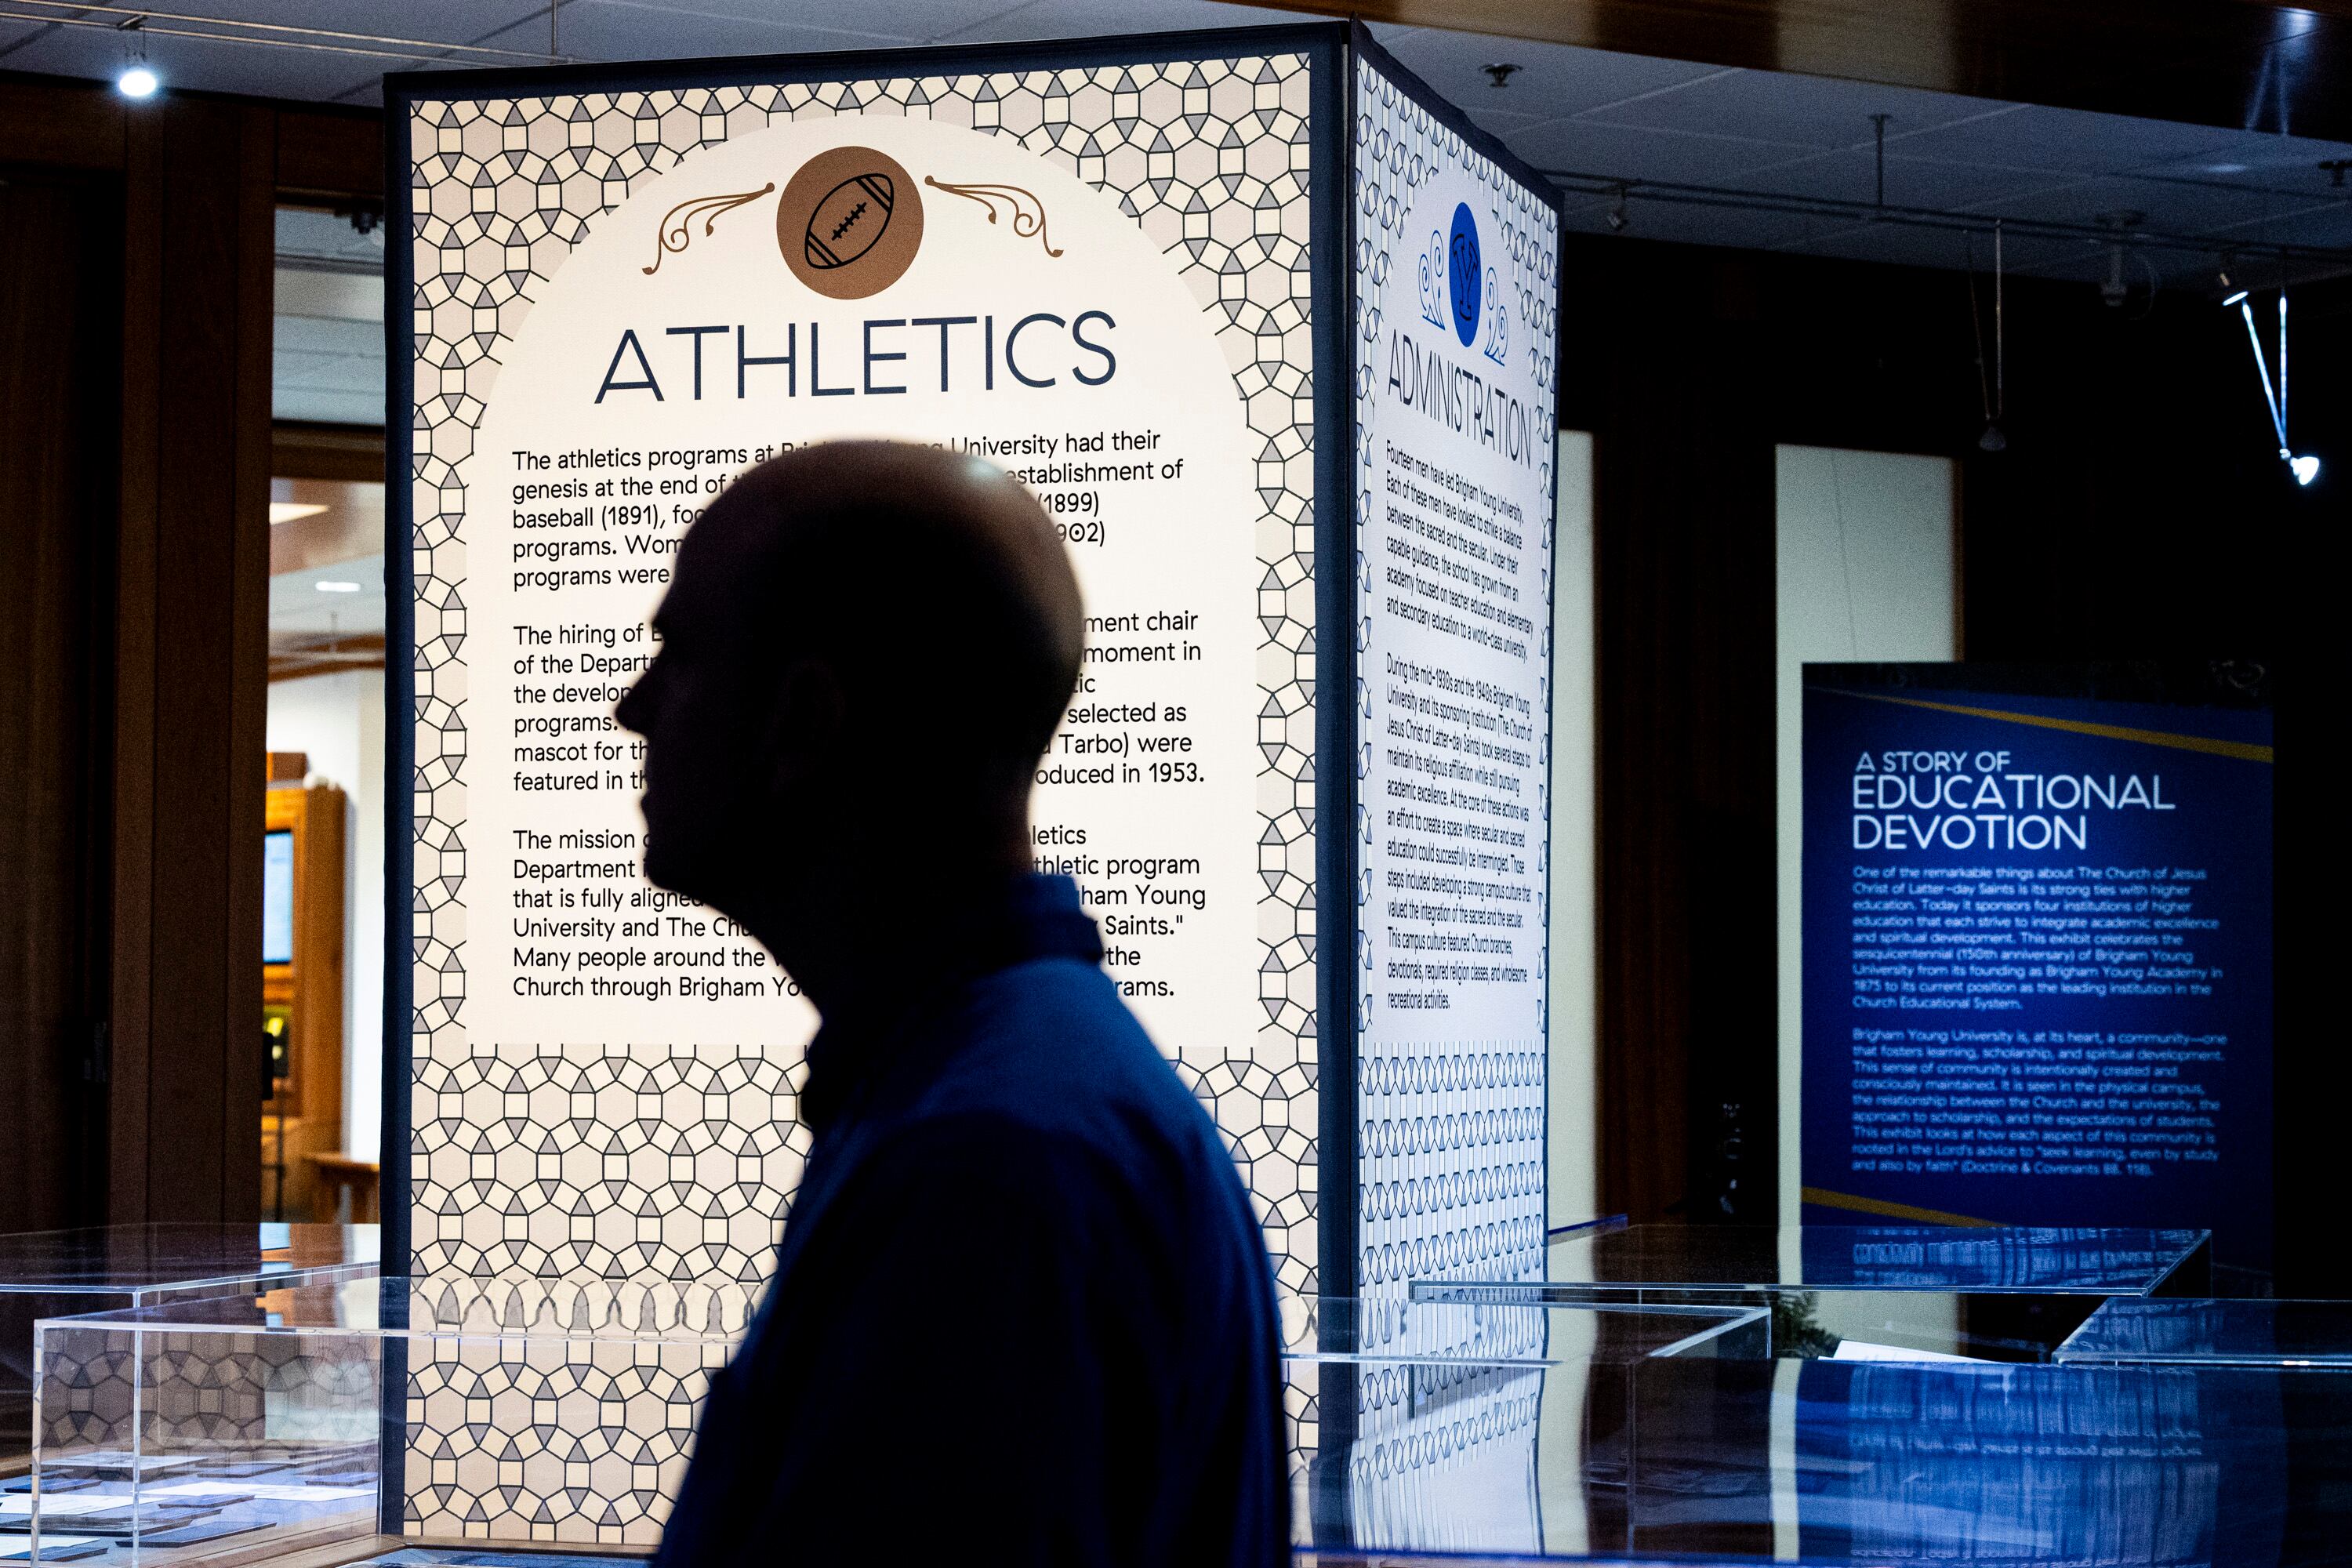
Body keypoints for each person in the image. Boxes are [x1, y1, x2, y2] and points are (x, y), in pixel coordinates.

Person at [618, 441, 1287, 1566]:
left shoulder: (986, 1167)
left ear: (801, 720)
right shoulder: (1000, 1095)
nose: (634, 709)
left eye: (678, 659)